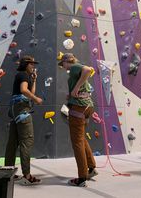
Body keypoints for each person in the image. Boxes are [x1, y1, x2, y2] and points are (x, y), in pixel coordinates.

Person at [58, 53, 97, 187]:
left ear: (65, 62)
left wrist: (75, 89)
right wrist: (72, 93)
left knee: (77, 142)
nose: (62, 67)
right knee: (81, 138)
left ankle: (82, 178)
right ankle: (91, 167)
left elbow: (87, 70)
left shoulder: (74, 67)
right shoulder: (75, 70)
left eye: (62, 64)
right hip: (87, 106)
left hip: (79, 107)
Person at [5, 55, 43, 185]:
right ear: (25, 65)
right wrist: (36, 99)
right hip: (22, 110)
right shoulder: (23, 75)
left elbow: (27, 91)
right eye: (31, 64)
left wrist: (34, 80)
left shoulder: (24, 76)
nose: (33, 66)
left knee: (13, 142)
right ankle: (27, 175)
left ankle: (7, 171)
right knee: (27, 141)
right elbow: (24, 90)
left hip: (16, 111)